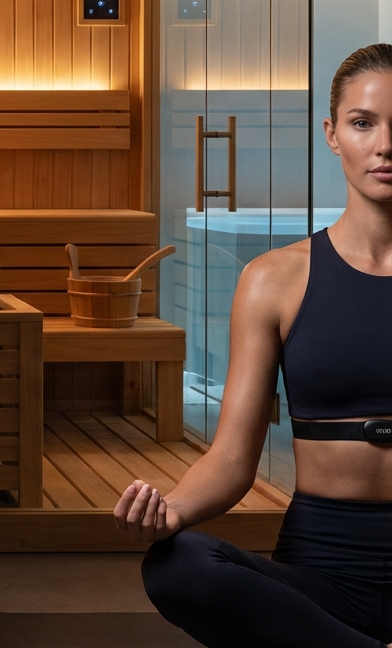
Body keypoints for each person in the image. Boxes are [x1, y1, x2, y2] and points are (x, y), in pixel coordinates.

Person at [114, 43, 392, 647]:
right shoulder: (273, 280)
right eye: (363, 122)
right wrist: (171, 513)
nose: (384, 145)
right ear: (333, 134)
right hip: (324, 568)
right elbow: (234, 460)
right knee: (176, 563)